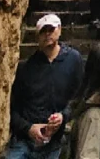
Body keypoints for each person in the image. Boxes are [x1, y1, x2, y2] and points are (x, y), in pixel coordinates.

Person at [6, 12, 84, 159]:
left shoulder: (73, 60)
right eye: (43, 31)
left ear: (59, 30)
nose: (48, 34)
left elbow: (79, 96)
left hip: (55, 141)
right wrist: (28, 128)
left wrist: (63, 116)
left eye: (51, 29)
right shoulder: (27, 68)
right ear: (37, 37)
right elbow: (13, 108)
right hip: (25, 140)